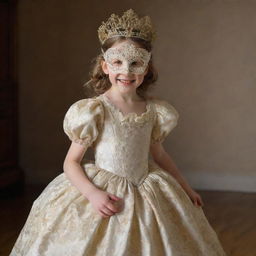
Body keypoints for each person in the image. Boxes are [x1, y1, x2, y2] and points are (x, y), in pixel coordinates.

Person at [10, 9, 227, 256]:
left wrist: (186, 188)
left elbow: (160, 155)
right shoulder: (94, 110)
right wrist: (93, 194)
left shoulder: (155, 111)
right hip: (107, 190)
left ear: (146, 68)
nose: (127, 71)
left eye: (136, 63)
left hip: (147, 189)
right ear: (105, 66)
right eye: (117, 62)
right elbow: (71, 162)